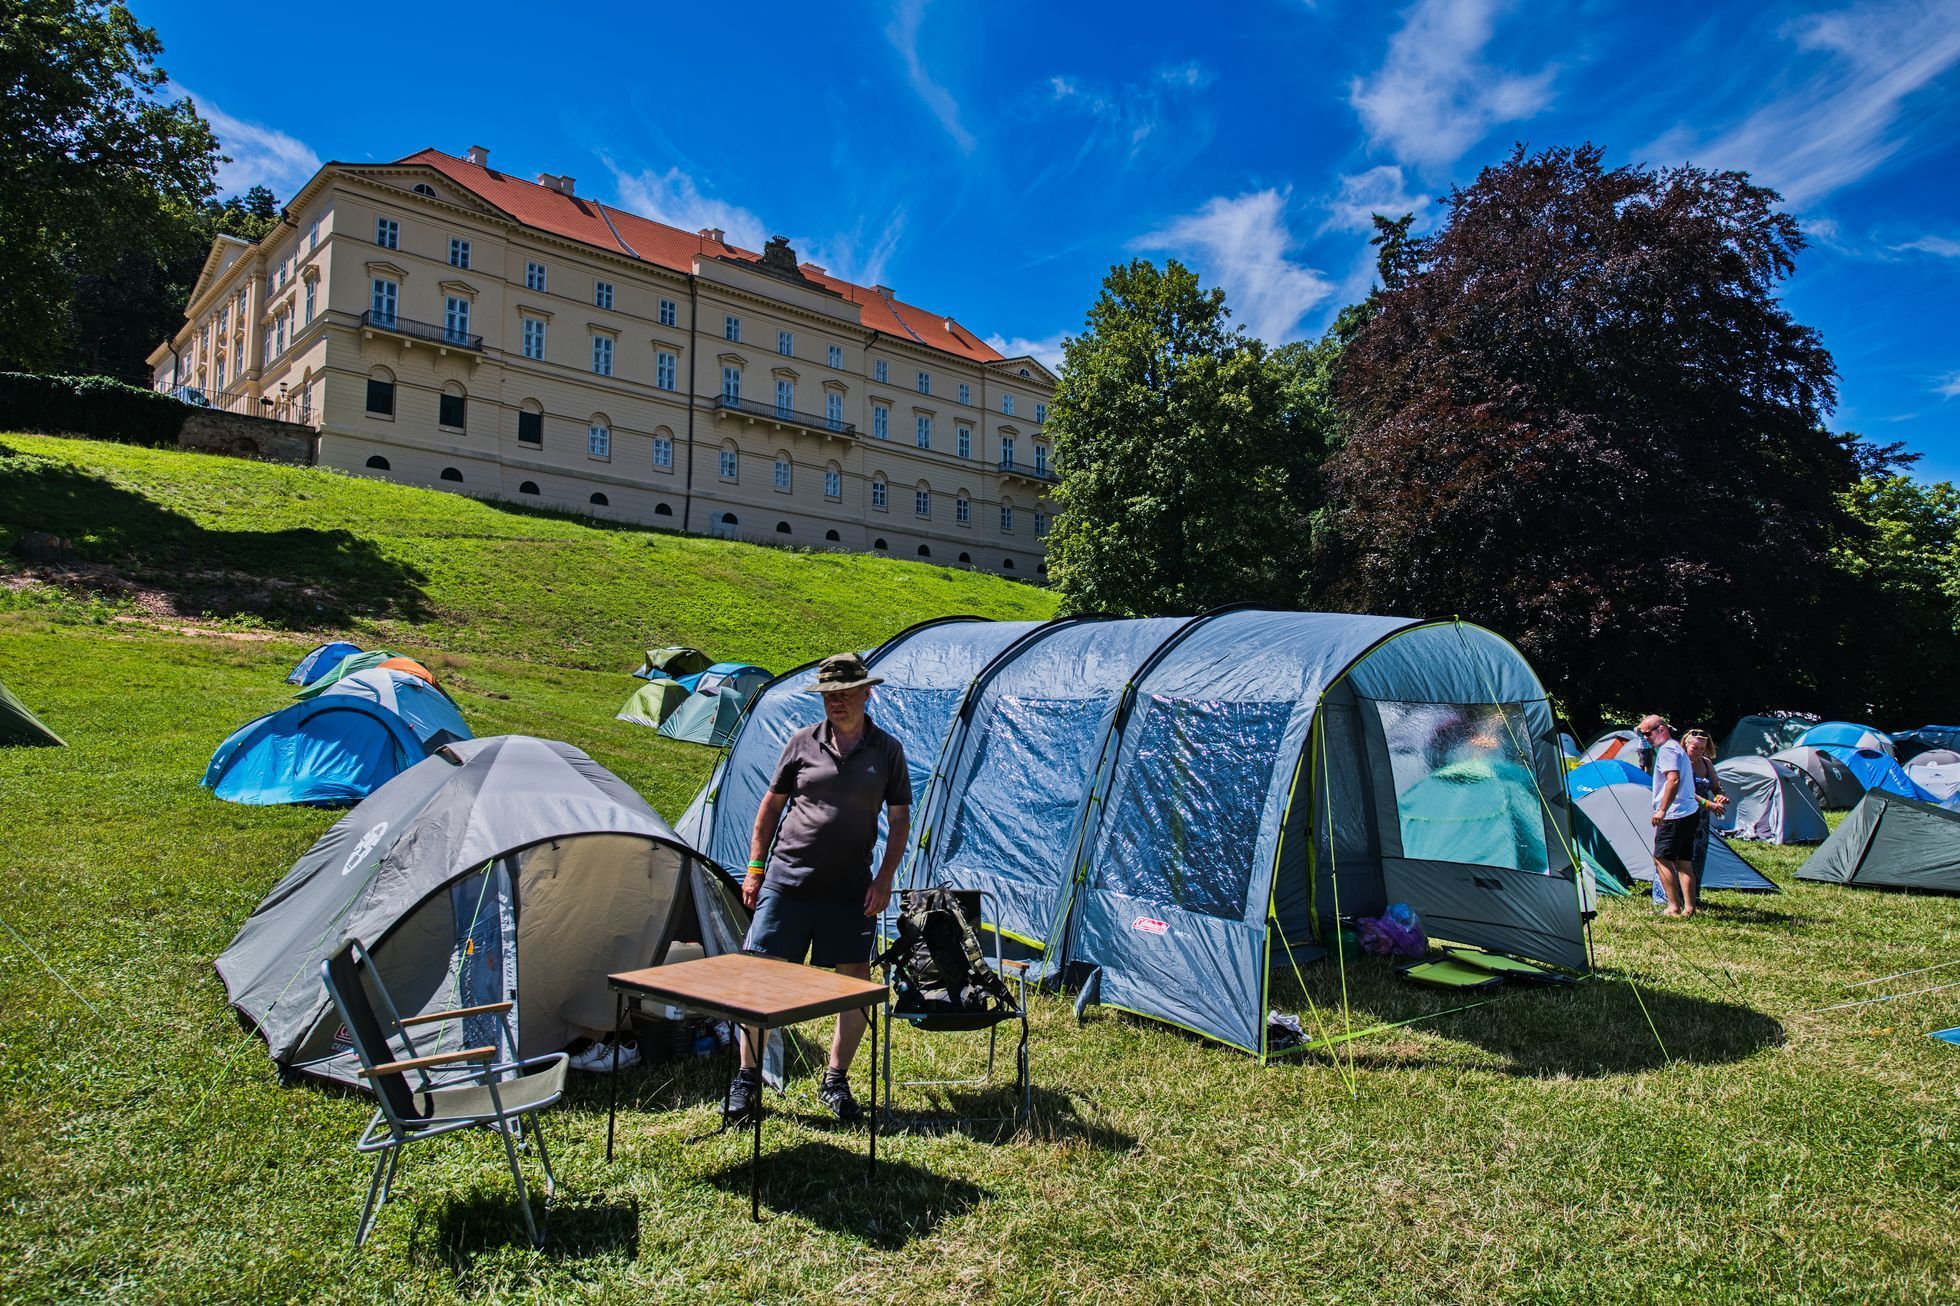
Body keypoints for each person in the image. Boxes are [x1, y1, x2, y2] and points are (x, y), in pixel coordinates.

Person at [724, 652, 910, 1125]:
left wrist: (885, 879)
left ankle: (835, 1080)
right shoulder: (801, 743)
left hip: (850, 890)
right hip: (787, 881)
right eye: (828, 695)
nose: (836, 702)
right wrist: (755, 868)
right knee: (761, 977)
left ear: (867, 693)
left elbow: (899, 821)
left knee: (855, 984)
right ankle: (747, 1081)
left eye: (845, 693)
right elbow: (770, 807)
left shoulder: (887, 751)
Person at [1640, 715, 1700, 916]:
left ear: (1661, 729)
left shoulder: (1667, 750)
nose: (1646, 738)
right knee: (1683, 861)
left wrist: (1662, 810)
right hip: (1689, 812)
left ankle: (1673, 906)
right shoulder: (1676, 747)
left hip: (1674, 814)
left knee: (1661, 859)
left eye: (1647, 733)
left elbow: (1673, 780)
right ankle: (1689, 908)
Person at [1683, 728, 1728, 904]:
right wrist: (1708, 804)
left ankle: (1693, 896)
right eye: (1695, 748)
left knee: (1698, 856)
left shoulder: (1707, 763)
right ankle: (1674, 897)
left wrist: (1720, 796)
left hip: (1702, 818)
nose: (1699, 752)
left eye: (1702, 748)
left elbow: (1716, 787)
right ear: (1686, 744)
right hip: (1684, 813)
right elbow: (1685, 791)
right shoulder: (1681, 762)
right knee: (1681, 856)